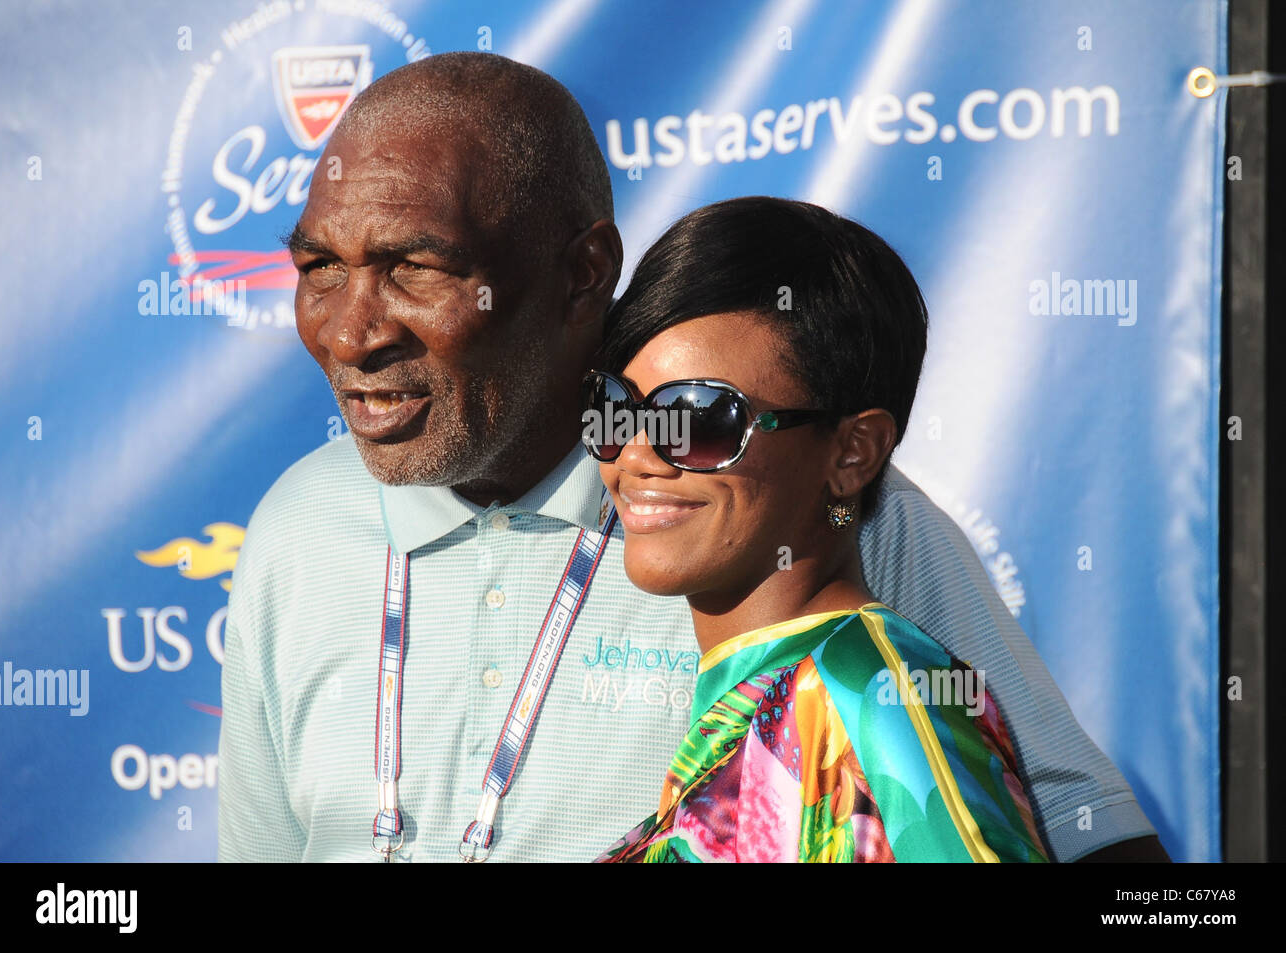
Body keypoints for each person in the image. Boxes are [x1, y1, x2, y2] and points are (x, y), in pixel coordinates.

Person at [217, 51, 1165, 862]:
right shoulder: (295, 525)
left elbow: (1092, 843)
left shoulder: (802, 512)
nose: (350, 333)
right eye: (319, 268)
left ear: (584, 273)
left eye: (415, 268)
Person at [588, 197, 1044, 862]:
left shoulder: (872, 682)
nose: (636, 454)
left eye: (702, 417)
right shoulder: (770, 697)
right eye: (615, 409)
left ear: (851, 452)